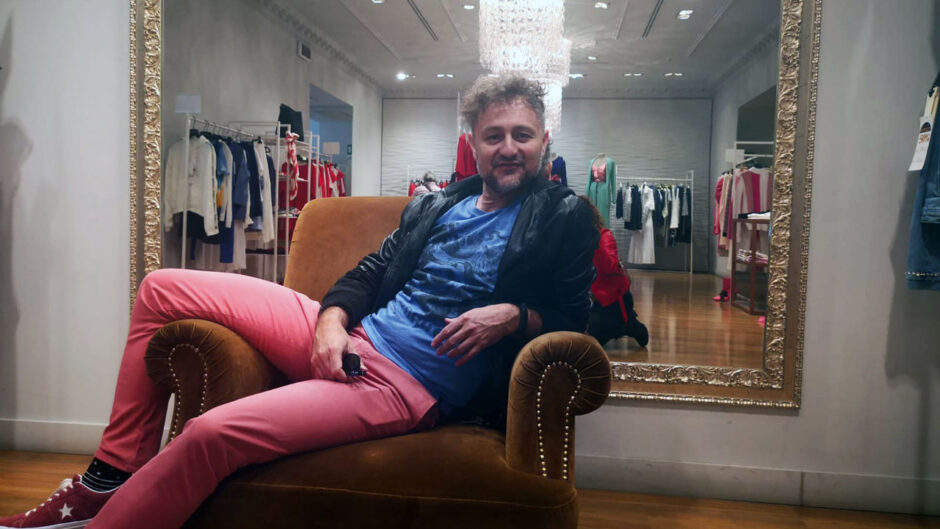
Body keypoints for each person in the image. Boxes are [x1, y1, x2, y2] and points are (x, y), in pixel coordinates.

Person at [0, 75, 599, 529]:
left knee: (209, 435)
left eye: (522, 135)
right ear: (473, 142)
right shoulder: (441, 203)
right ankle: (109, 475)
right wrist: (332, 321)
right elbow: (371, 271)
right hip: (351, 334)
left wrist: (515, 316)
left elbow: (580, 318)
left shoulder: (564, 216)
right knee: (162, 287)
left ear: (544, 140)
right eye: (494, 135)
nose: (508, 148)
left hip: (396, 383)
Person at [579, 195, 649, 348]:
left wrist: (592, 239)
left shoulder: (604, 236)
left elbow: (610, 266)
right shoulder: (578, 240)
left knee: (588, 343)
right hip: (596, 302)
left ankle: (627, 324)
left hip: (615, 302)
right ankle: (619, 325)